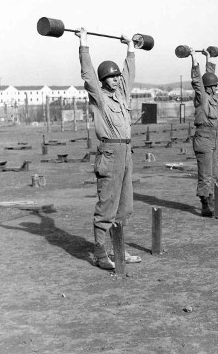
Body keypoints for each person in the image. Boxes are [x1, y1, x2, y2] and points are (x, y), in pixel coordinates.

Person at [77, 28, 141, 270]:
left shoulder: (122, 95)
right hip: (110, 153)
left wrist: (130, 47)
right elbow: (88, 74)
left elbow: (130, 73)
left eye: (117, 76)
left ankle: (119, 250)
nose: (117, 79)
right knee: (107, 206)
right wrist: (84, 43)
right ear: (104, 80)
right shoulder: (100, 98)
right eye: (112, 77)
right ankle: (101, 254)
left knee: (125, 207)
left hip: (126, 154)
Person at [188, 47, 218, 217]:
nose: (216, 89)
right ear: (208, 88)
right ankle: (205, 205)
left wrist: (209, 59)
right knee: (205, 174)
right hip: (203, 137)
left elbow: (209, 76)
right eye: (214, 86)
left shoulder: (213, 97)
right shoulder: (203, 98)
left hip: (213, 137)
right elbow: (198, 81)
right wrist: (194, 58)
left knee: (214, 173)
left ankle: (213, 202)